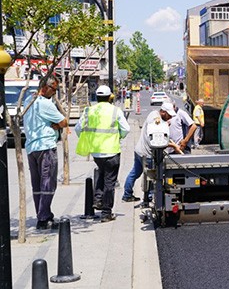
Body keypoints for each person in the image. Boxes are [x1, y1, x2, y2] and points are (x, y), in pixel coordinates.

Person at [75, 85, 130, 222]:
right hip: (111, 151)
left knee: (101, 174)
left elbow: (77, 128)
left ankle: (98, 199)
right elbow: (126, 129)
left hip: (97, 152)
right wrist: (119, 137)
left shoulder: (89, 111)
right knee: (109, 182)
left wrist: (89, 138)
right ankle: (106, 212)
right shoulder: (115, 111)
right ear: (109, 96)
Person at [24, 76, 68, 230]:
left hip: (31, 147)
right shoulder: (44, 104)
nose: (55, 93)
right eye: (54, 89)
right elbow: (64, 122)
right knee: (48, 183)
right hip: (45, 146)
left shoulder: (29, 99)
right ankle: (44, 218)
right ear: (46, 87)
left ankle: (41, 213)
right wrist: (54, 125)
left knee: (37, 184)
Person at [122, 102, 178, 202]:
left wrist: (165, 124)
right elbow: (155, 140)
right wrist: (172, 145)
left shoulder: (154, 115)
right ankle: (148, 197)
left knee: (135, 173)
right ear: (163, 112)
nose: (169, 118)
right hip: (147, 153)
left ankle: (127, 194)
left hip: (139, 150)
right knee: (152, 176)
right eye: (168, 115)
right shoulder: (156, 119)